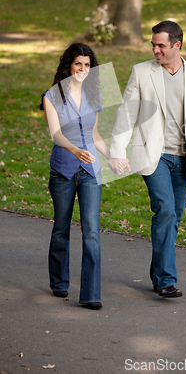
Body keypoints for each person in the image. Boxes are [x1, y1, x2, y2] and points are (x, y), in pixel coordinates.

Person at [109, 20, 186, 298]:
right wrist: (116, 150)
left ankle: (158, 272)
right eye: (153, 45)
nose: (155, 50)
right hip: (154, 155)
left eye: (161, 45)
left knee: (173, 219)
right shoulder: (141, 72)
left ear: (177, 45)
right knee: (164, 210)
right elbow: (126, 113)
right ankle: (166, 280)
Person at [40, 43, 110, 310]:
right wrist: (74, 150)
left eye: (87, 65)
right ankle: (59, 281)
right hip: (63, 169)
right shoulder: (52, 95)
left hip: (91, 170)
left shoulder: (94, 95)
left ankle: (91, 294)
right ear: (69, 65)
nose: (83, 69)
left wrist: (112, 155)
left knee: (92, 230)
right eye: (78, 64)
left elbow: (94, 134)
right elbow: (56, 134)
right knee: (62, 228)